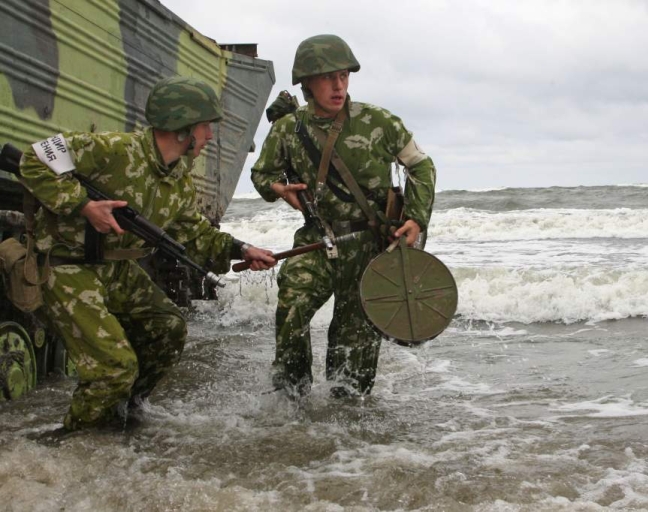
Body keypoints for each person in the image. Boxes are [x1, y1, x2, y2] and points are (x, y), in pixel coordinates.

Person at [17, 76, 276, 432]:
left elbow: (193, 232)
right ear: (183, 128)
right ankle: (75, 437)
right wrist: (83, 205)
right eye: (205, 127)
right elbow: (34, 157)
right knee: (114, 367)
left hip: (115, 268)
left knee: (168, 327)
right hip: (67, 266)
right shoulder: (113, 149)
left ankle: (123, 410)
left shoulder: (178, 177)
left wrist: (242, 249)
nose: (210, 137)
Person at [251, 34, 436, 397]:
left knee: (355, 343)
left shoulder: (379, 122)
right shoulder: (288, 130)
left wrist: (416, 219)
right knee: (292, 308)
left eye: (344, 76)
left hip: (370, 247)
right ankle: (292, 400)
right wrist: (277, 189)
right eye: (327, 78)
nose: (338, 86)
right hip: (317, 241)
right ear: (306, 82)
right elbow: (261, 174)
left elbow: (421, 166)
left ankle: (347, 419)